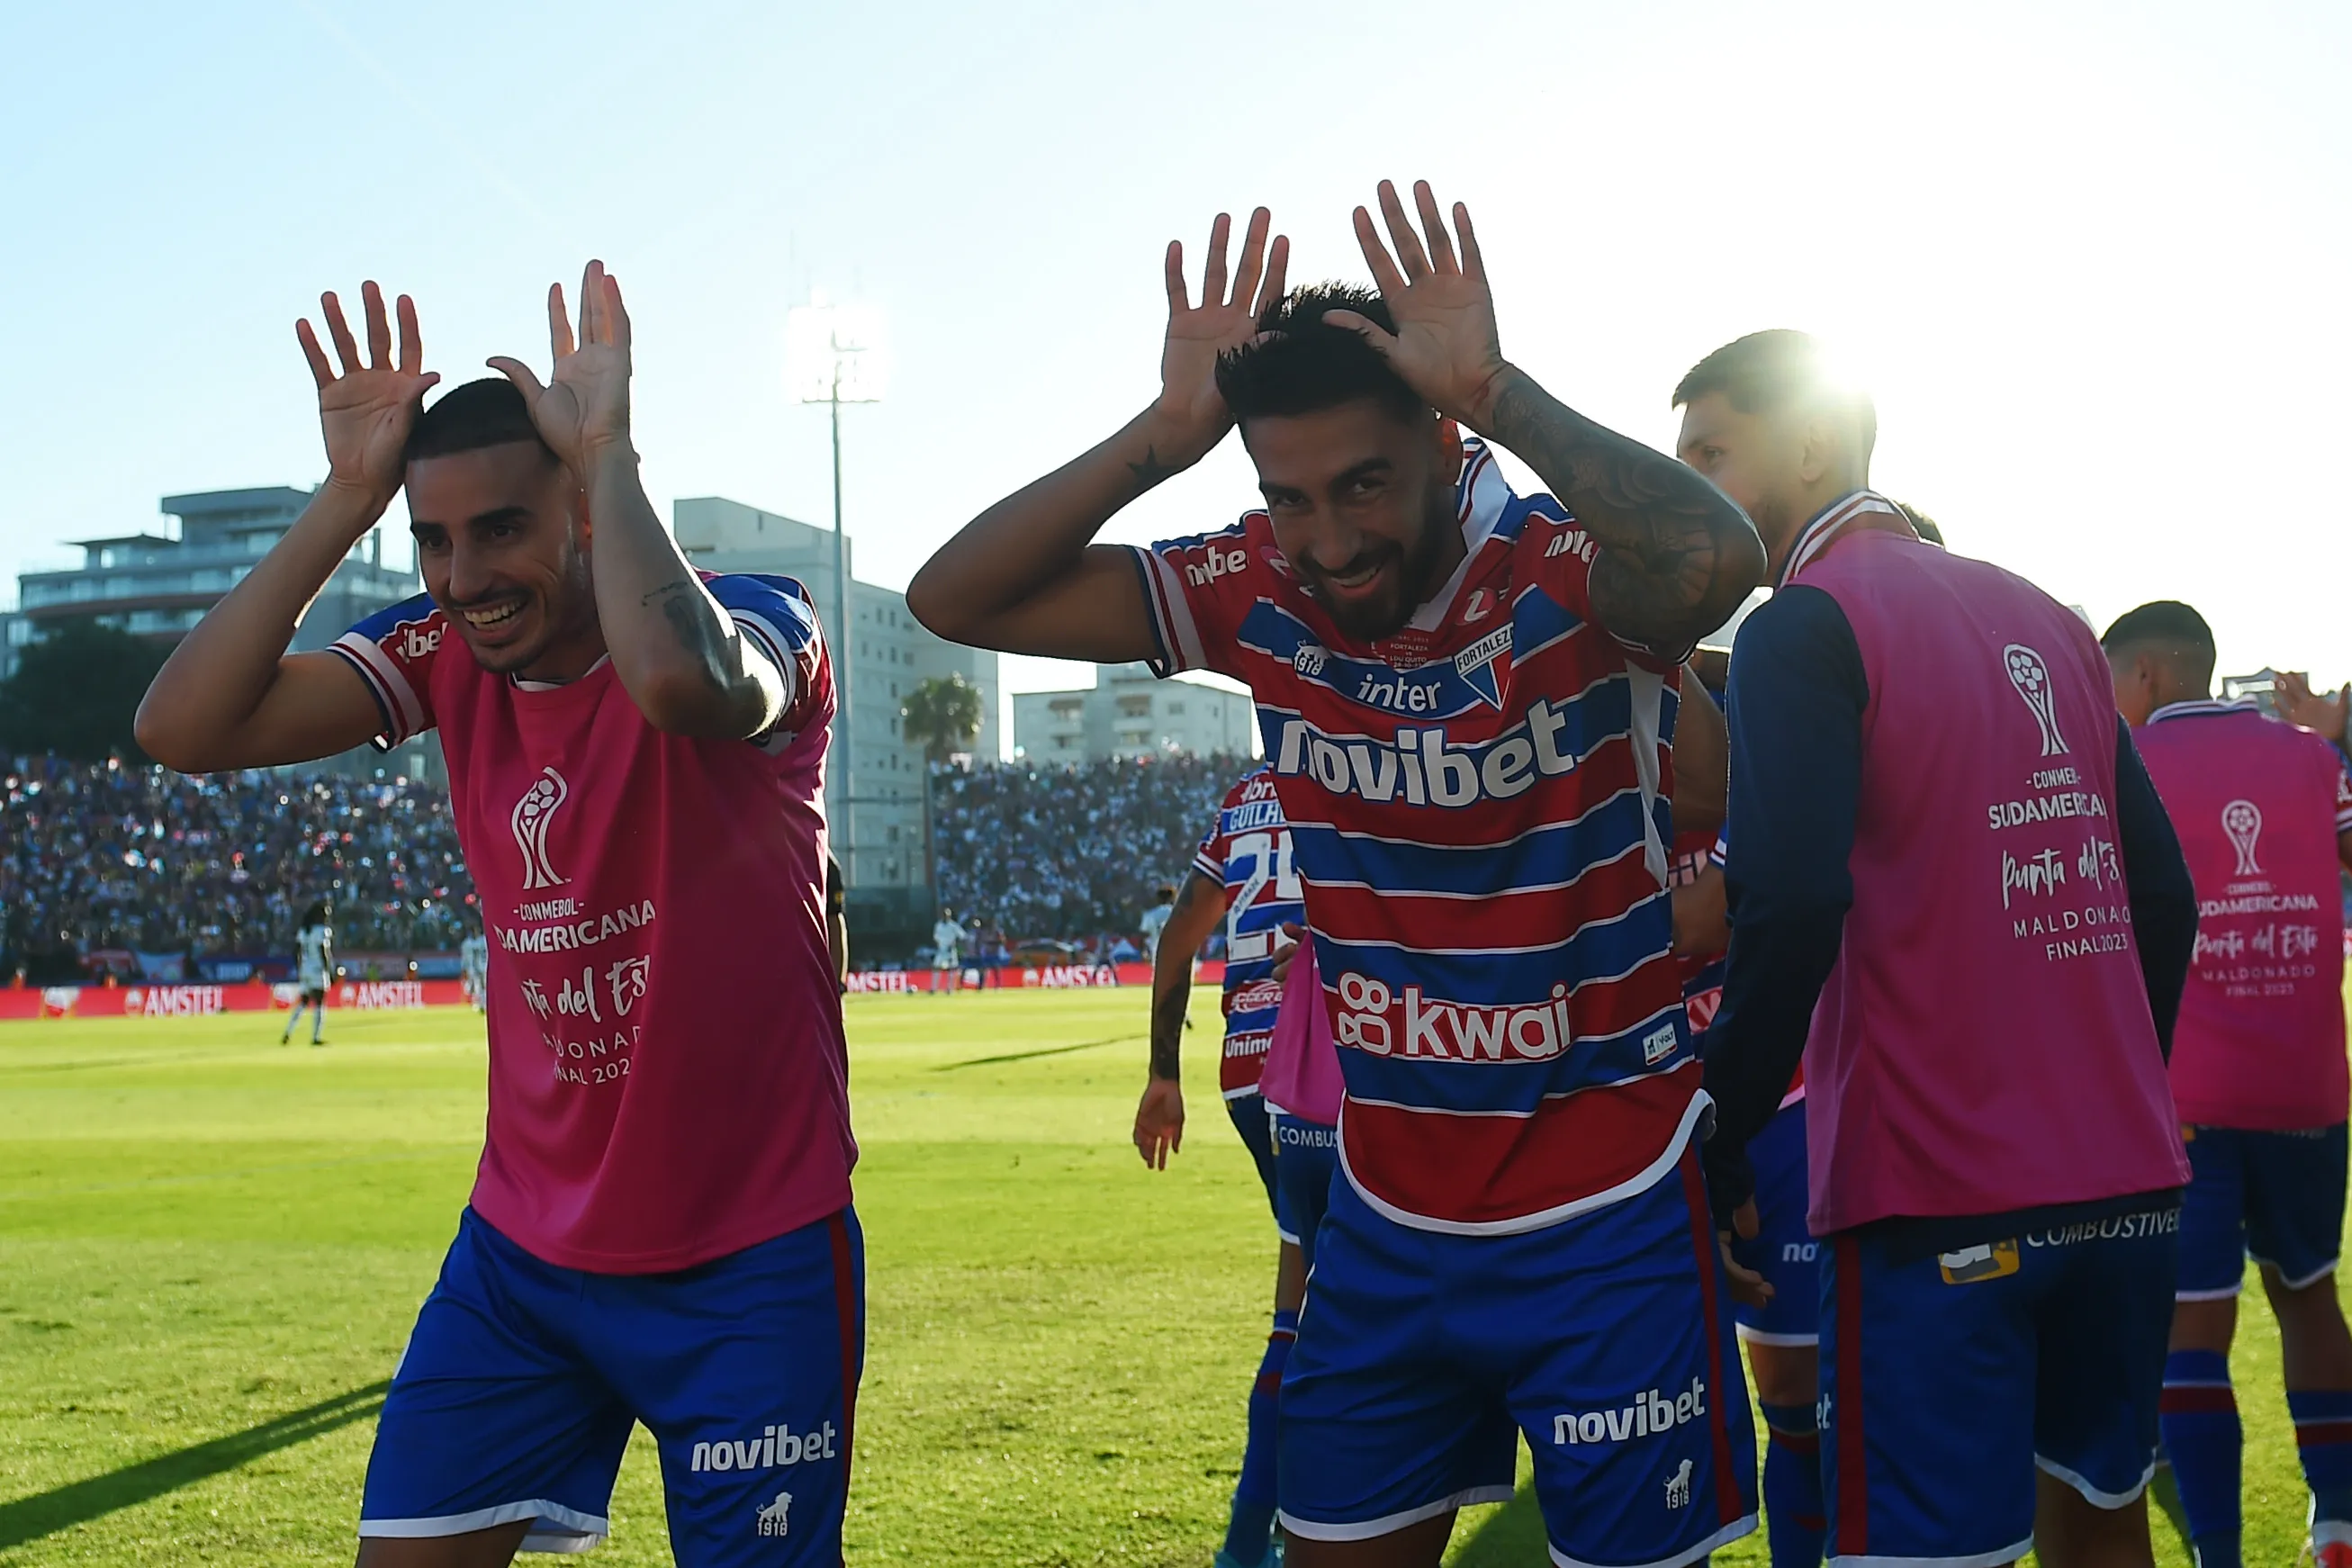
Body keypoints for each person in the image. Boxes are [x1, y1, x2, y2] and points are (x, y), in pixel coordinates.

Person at [911, 182, 1766, 1568]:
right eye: (1288, 495)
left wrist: (1499, 388)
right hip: (1385, 1215)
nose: (1327, 538)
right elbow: (954, 599)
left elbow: (1716, 557)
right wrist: (1162, 438)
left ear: (1442, 443)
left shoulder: (1558, 570)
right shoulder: (1256, 586)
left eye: (1363, 484)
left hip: (1605, 1208)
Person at [133, 268, 856, 1568]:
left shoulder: (760, 616)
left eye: (502, 528)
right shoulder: (444, 653)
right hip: (522, 1260)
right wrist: (346, 499)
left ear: (582, 509)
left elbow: (680, 681)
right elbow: (181, 727)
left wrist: (611, 450)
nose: (464, 576)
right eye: (434, 539)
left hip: (747, 1257)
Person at [1683, 329, 2200, 1568]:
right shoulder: (2047, 612)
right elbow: (2164, 897)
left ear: (1812, 442)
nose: (1687, 489)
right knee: (2103, 1525)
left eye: (1709, 454)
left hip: (1933, 1190)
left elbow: (1789, 898)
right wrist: (2114, 1094)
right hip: (2126, 1180)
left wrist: (1720, 1125)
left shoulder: (1801, 622)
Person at [2103, 600, 2352, 1568]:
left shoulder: (2125, 766)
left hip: (2187, 1101)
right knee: (2310, 1295)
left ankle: (2218, 1554)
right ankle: (2338, 1526)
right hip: (2306, 1088)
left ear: (2147, 675)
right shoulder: (2308, 757)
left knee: (2191, 1331)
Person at [1134, 766, 1305, 1568]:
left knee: (1302, 1291)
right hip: (1328, 1063)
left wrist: (1162, 1074)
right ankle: (1275, 1533)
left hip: (1245, 1069)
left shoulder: (1244, 798)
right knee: (1343, 1308)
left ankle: (1258, 1535)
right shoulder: (1363, 764)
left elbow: (1181, 933)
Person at [284, 898, 334, 1046]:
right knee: (319, 1003)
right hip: (317, 969)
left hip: (305, 970)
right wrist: (328, 970)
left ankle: (288, 1032)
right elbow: (323, 951)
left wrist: (300, 967)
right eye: (325, 914)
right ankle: (316, 1037)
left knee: (304, 1002)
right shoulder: (322, 931)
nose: (327, 917)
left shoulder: (304, 930)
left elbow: (296, 951)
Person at [1138, 884, 1179, 965]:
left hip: (1157, 955)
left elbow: (1142, 937)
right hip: (1178, 954)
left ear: (1158, 899)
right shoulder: (1178, 913)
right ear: (1173, 898)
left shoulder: (1149, 915)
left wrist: (1144, 953)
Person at [459, 915, 490, 1014]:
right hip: (475, 967)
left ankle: (483, 1004)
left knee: (482, 987)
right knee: (476, 987)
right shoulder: (483, 940)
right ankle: (480, 1004)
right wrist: (464, 968)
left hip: (483, 966)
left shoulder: (471, 943)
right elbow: (465, 958)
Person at [931, 905, 962, 993]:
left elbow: (962, 936)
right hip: (941, 951)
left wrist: (955, 943)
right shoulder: (939, 925)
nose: (946, 916)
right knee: (936, 968)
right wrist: (938, 944)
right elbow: (935, 937)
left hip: (950, 950)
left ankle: (949, 988)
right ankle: (934, 988)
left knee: (951, 969)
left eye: (948, 915)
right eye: (945, 915)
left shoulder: (954, 926)